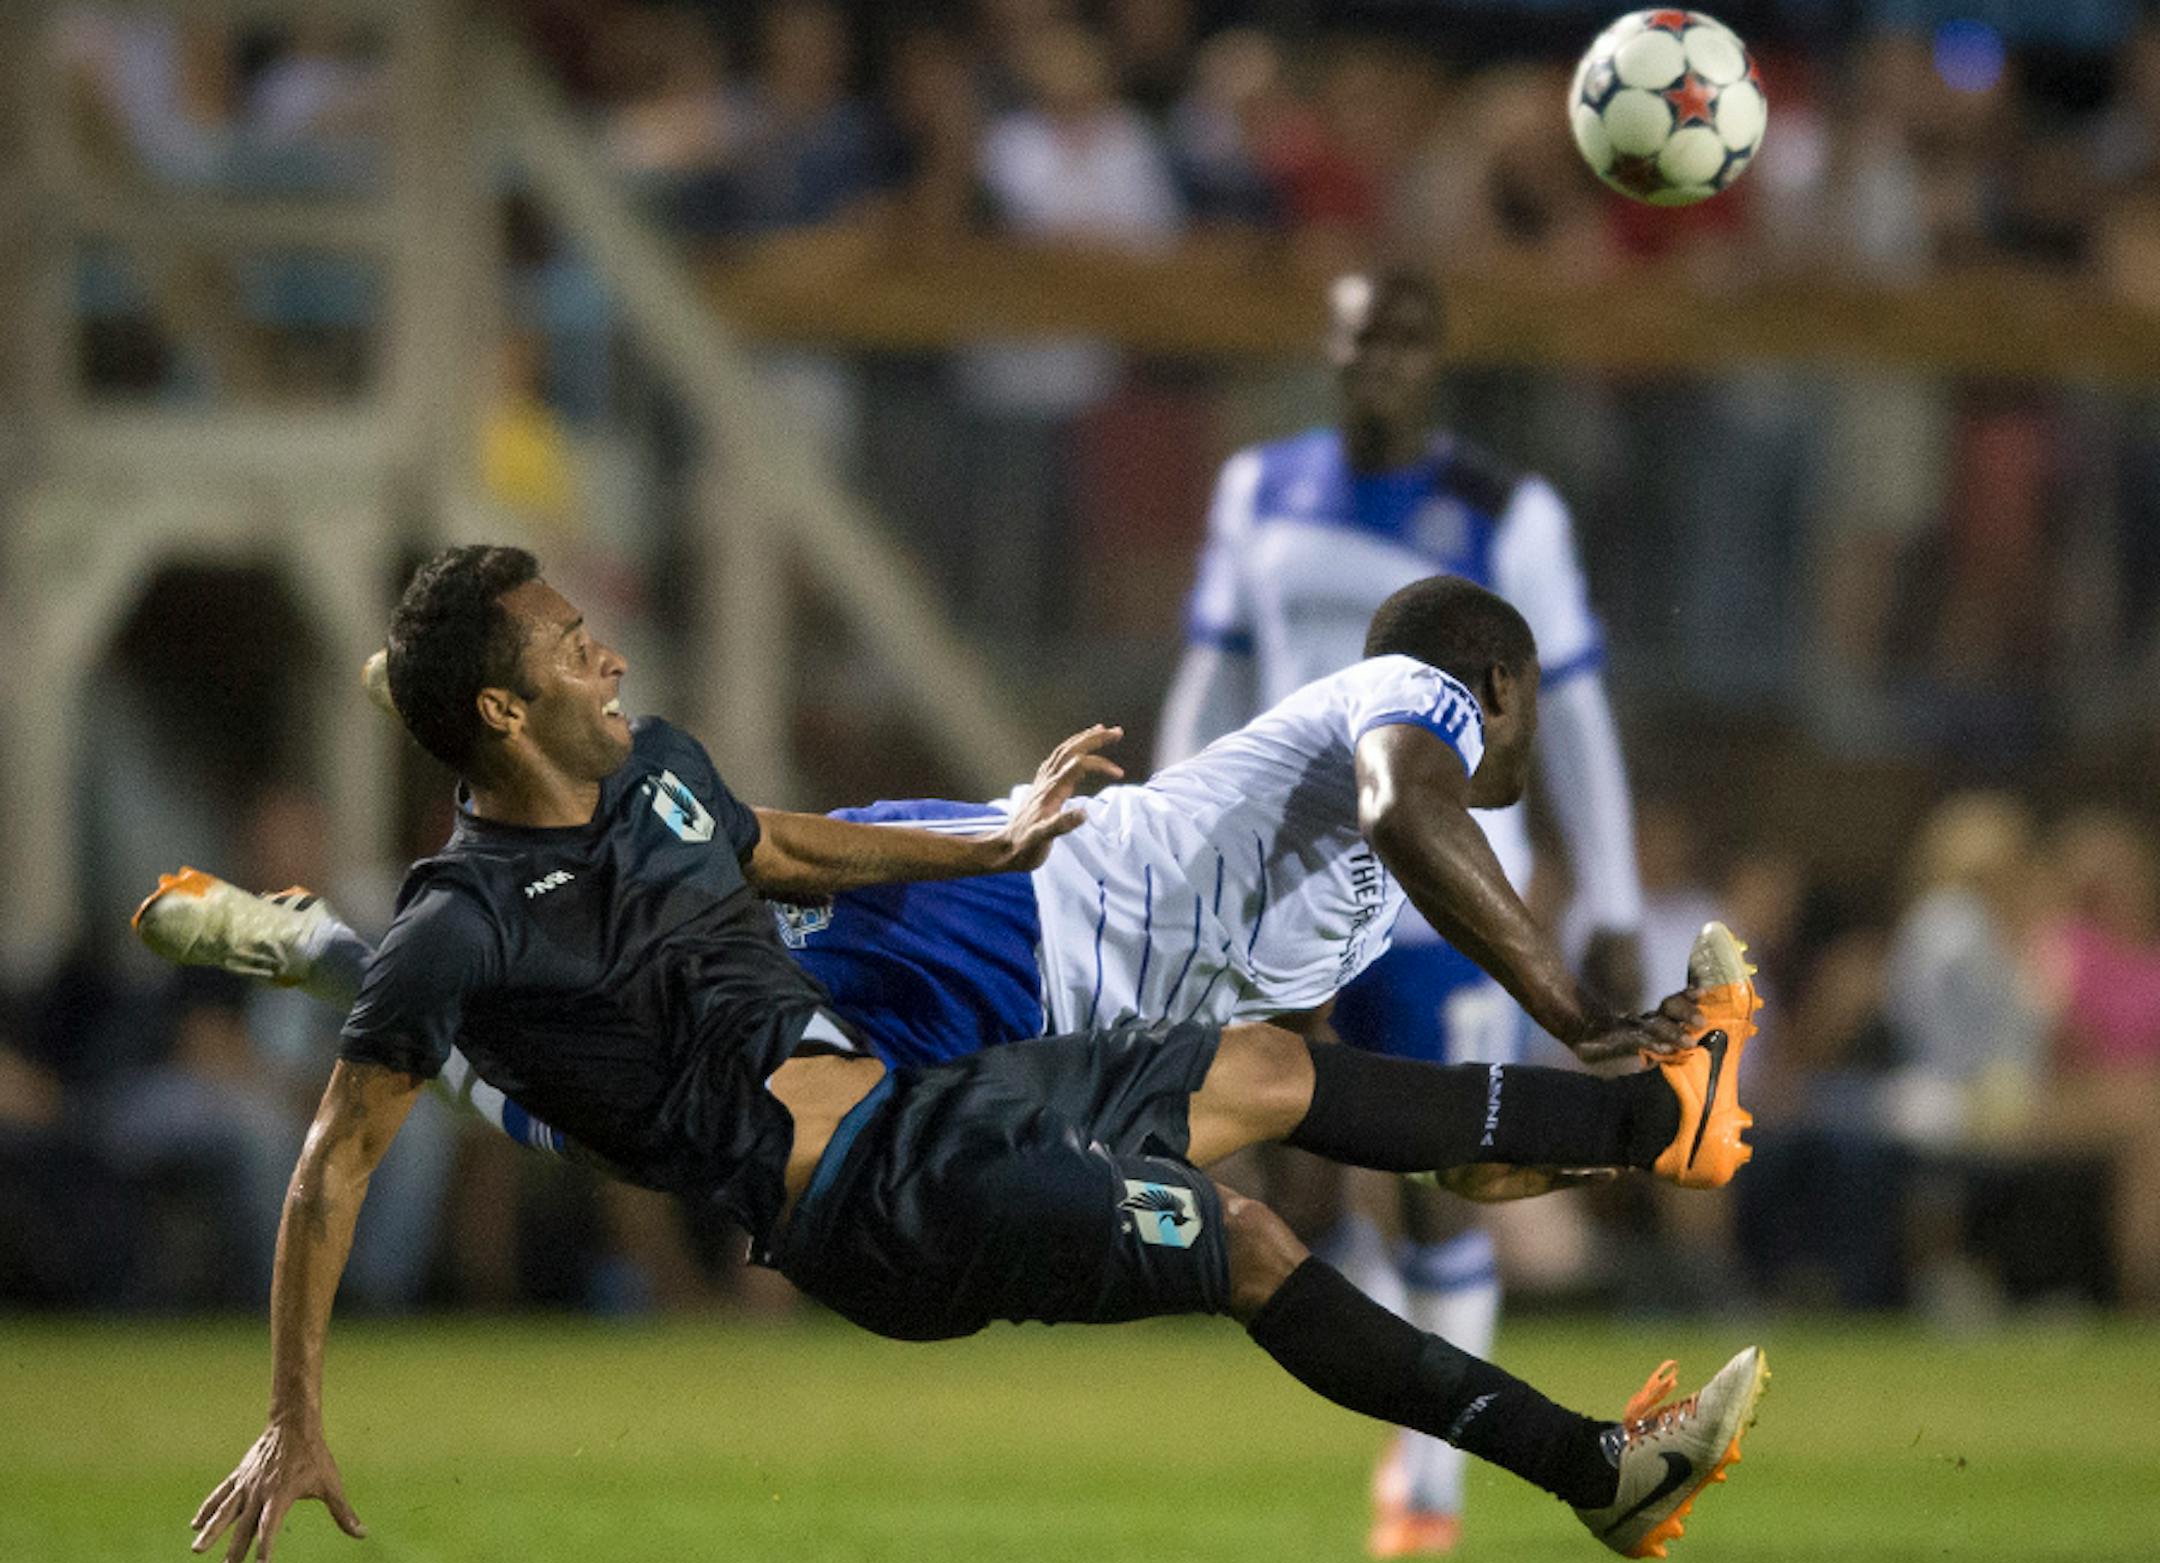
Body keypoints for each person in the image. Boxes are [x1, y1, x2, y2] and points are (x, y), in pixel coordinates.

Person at [181, 545, 1766, 1563]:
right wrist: (292, 1409)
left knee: (1262, 1073)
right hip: (876, 1205)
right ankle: (1591, 1467)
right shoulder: (463, 924)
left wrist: (992, 843)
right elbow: (334, 1162)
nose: (612, 658)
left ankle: (1646, 1117)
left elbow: (785, 851)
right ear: (502, 708)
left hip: (934, 1097)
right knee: (1244, 1240)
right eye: (573, 646)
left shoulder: (659, 776)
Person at [145, 578, 1735, 1203]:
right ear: (1502, 686)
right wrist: (1588, 1024)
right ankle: (362, 941)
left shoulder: (1433, 874)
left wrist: (1554, 1139)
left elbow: (1395, 1122)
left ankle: (341, 958)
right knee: (659, 1039)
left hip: (1044, 1014)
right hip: (1003, 925)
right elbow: (1406, 805)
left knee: (683, 1121)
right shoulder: (1413, 707)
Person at [1157, 268, 1646, 1556]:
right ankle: (1425, 1410)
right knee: (1306, 1164)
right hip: (1289, 886)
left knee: (1445, 1173)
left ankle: (1429, 1482)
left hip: (1442, 894)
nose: (1381, 361)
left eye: (1407, 340)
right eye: (1363, 337)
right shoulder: (1257, 490)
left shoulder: (1504, 510)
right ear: (1330, 348)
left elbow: (1574, 708)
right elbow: (1213, 678)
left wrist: (1613, 888)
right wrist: (1164, 836)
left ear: (1439, 358)